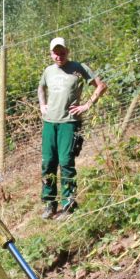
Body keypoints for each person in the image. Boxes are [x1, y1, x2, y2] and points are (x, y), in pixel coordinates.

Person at [36, 36, 106, 219]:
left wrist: (87, 105)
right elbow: (40, 89)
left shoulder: (78, 68)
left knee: (66, 162)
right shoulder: (48, 71)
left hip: (69, 123)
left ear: (68, 51)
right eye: (55, 53)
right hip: (50, 123)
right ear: (51, 53)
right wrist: (42, 105)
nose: (59, 56)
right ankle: (50, 203)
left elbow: (101, 86)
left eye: (62, 52)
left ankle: (69, 204)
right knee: (48, 162)